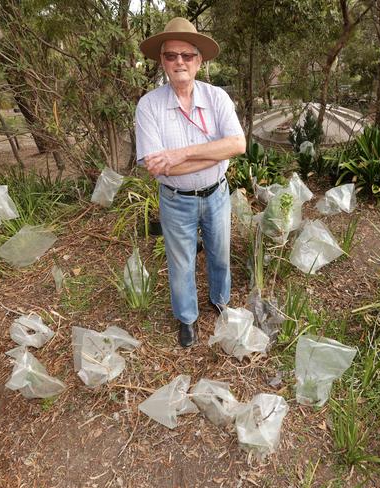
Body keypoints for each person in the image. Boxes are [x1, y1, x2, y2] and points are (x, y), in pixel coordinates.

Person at [135, 17, 246, 347]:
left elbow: (238, 144)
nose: (179, 62)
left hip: (217, 194)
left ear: (199, 60)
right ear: (162, 62)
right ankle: (187, 318)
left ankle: (220, 300)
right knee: (181, 262)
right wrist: (214, 153)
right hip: (175, 199)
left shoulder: (217, 98)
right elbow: (156, 167)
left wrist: (179, 155)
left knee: (220, 254)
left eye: (187, 55)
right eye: (171, 56)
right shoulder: (149, 105)